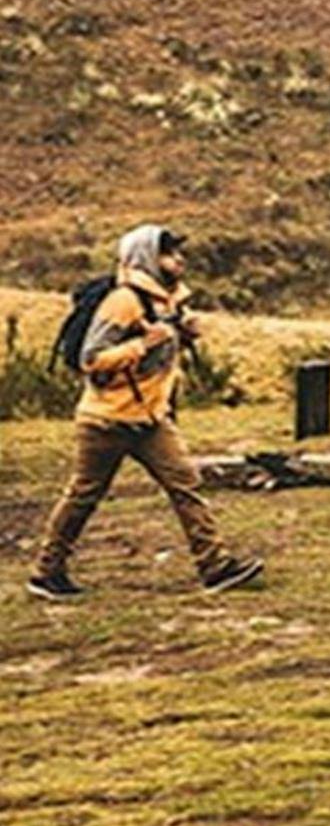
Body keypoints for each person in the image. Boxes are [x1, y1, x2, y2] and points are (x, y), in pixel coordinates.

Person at [27, 224, 264, 600]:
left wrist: (182, 337)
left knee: (185, 483)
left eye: (177, 252)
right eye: (169, 253)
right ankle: (46, 571)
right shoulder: (123, 301)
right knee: (84, 495)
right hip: (107, 420)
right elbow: (93, 358)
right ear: (148, 259)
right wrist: (141, 343)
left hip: (151, 419)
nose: (179, 259)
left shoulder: (168, 302)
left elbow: (156, 362)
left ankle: (216, 566)